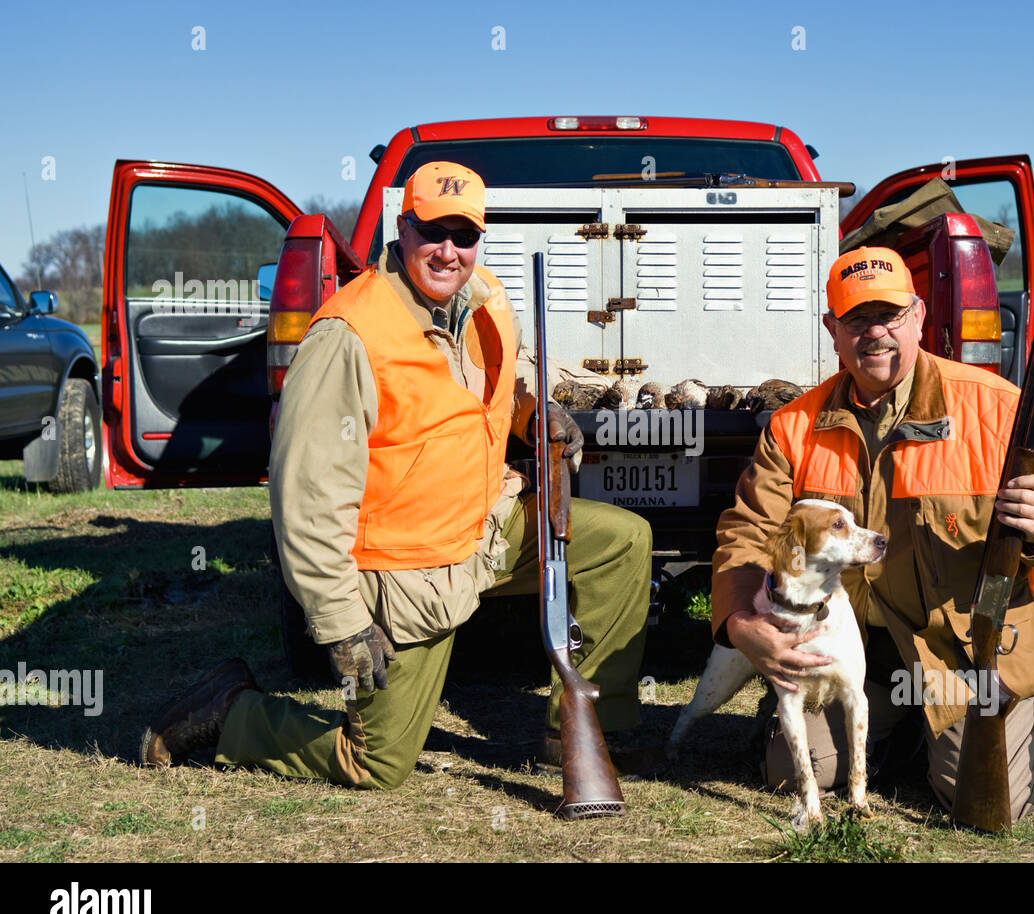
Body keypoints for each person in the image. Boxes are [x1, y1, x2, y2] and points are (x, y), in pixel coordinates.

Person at [141, 161, 654, 788]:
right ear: (402, 230)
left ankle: (582, 727)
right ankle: (232, 714)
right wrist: (341, 623)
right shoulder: (348, 334)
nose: (448, 251)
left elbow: (497, 386)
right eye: (431, 231)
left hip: (484, 529)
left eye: (463, 235)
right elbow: (306, 498)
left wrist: (533, 413)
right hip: (405, 576)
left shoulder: (485, 300)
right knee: (377, 764)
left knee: (622, 543)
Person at [711, 246, 1034, 822]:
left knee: (985, 810)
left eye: (890, 315)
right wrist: (741, 624)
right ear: (832, 329)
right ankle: (904, 733)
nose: (875, 333)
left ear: (919, 317)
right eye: (856, 319)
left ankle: (1033, 710)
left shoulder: (996, 409)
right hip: (855, 648)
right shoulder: (793, 426)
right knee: (794, 773)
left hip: (966, 653)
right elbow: (748, 534)